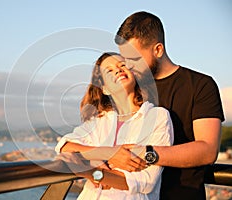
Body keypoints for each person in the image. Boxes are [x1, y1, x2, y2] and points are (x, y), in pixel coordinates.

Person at [113, 11, 225, 200]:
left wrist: (146, 153)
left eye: (134, 59)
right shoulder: (132, 89)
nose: (128, 66)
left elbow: (207, 150)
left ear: (158, 50)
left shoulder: (200, 85)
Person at [55, 52, 174, 199]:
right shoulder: (99, 121)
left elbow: (146, 181)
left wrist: (90, 171)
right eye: (109, 71)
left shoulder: (157, 116)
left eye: (122, 65)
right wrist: (108, 153)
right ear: (104, 89)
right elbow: (65, 147)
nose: (118, 70)